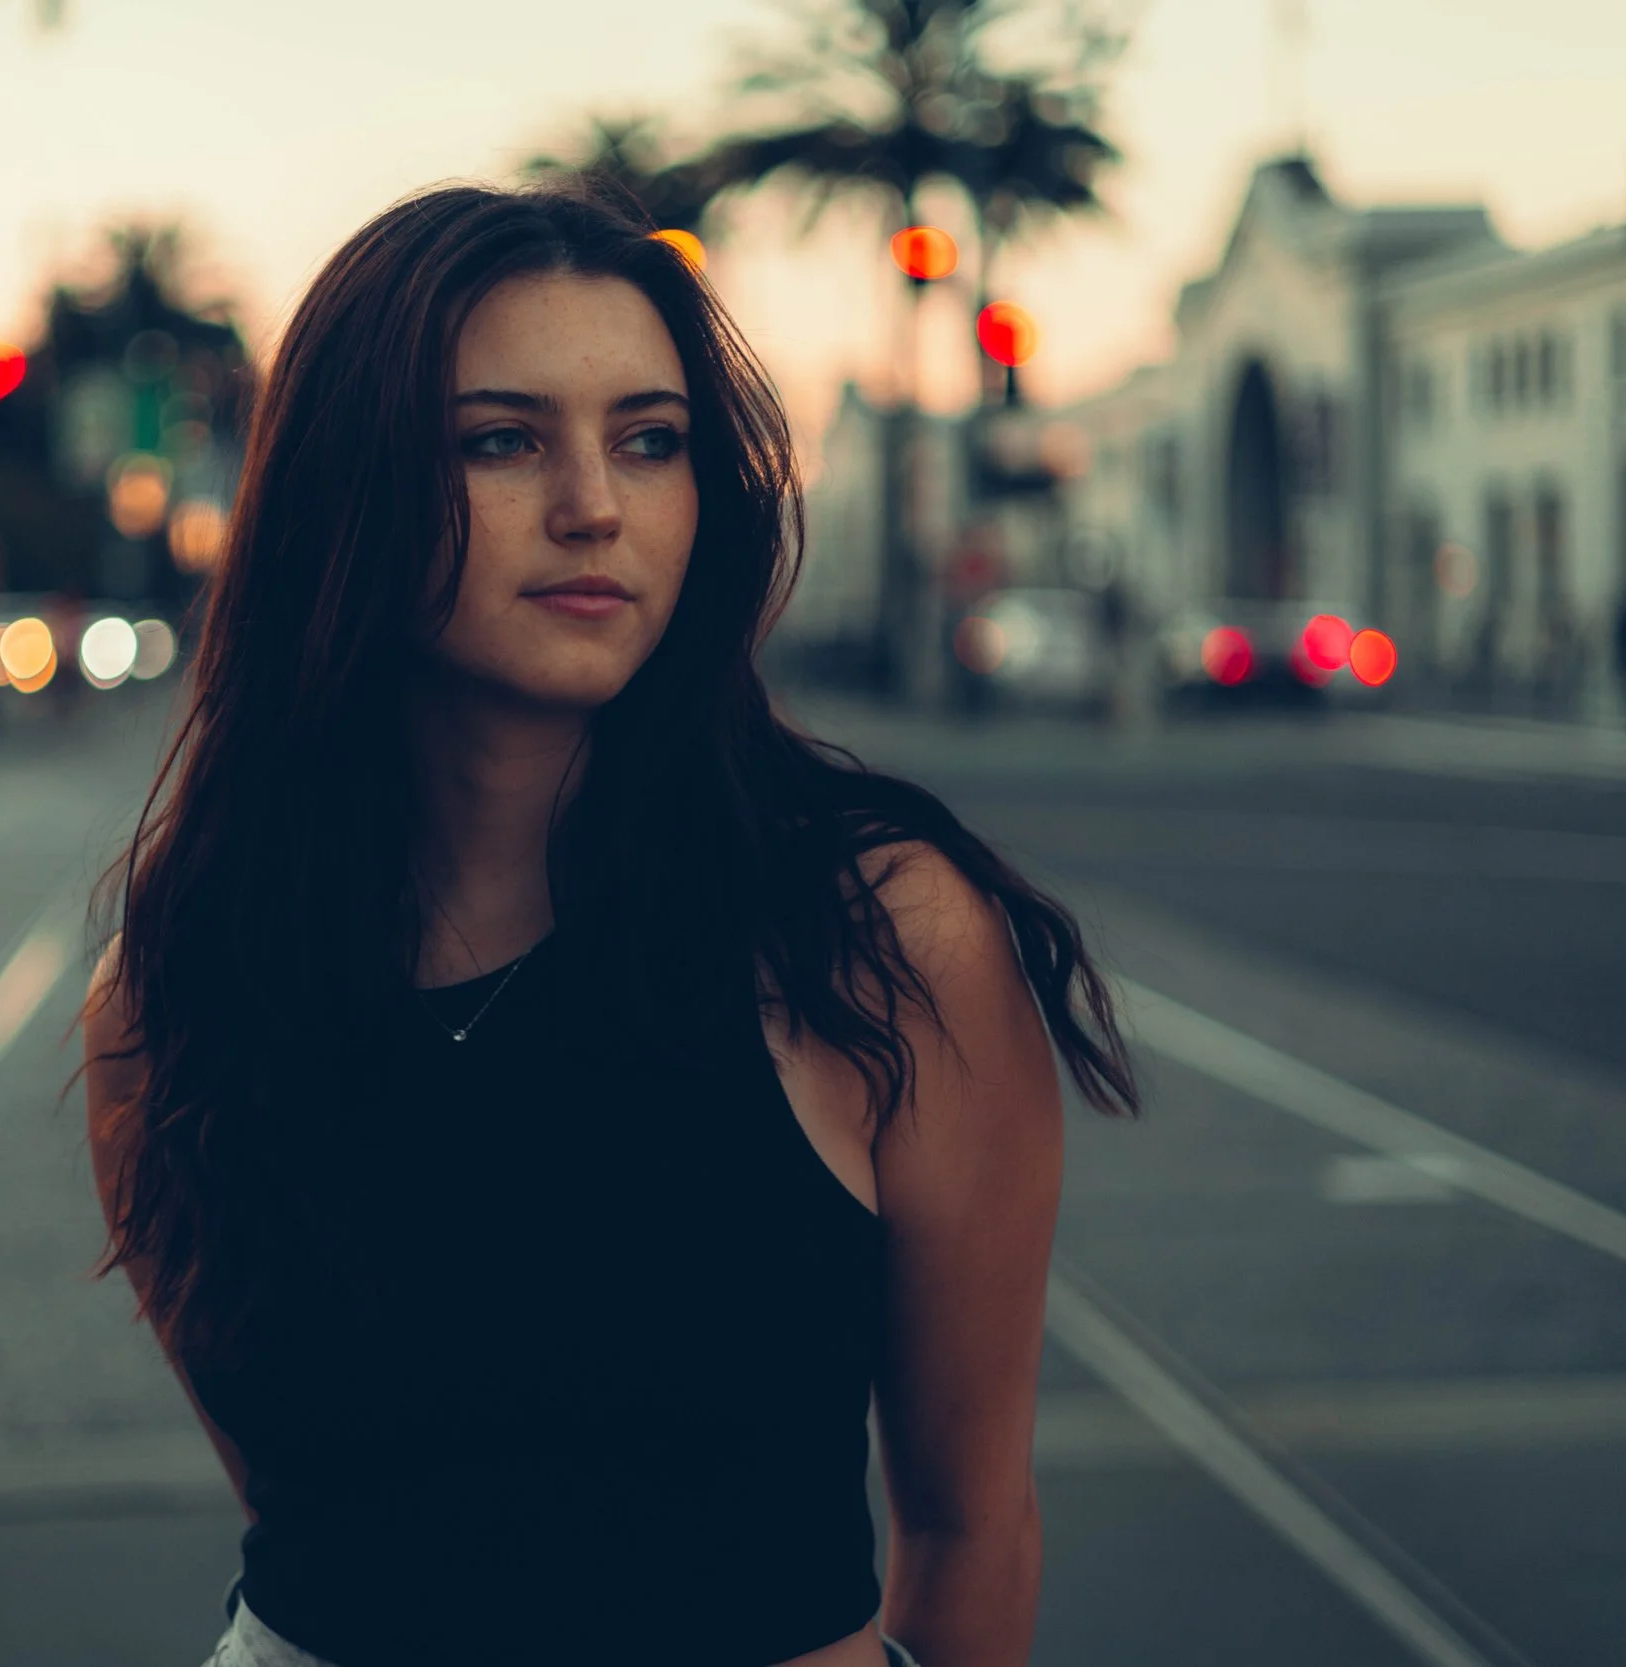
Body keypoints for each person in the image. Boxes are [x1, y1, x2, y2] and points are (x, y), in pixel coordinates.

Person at [81, 181, 1137, 1667]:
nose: (596, 505)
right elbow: (324, 1513)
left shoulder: (876, 941)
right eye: (501, 440)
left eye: (651, 440)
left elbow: (971, 1526)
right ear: (350, 487)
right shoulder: (177, 991)